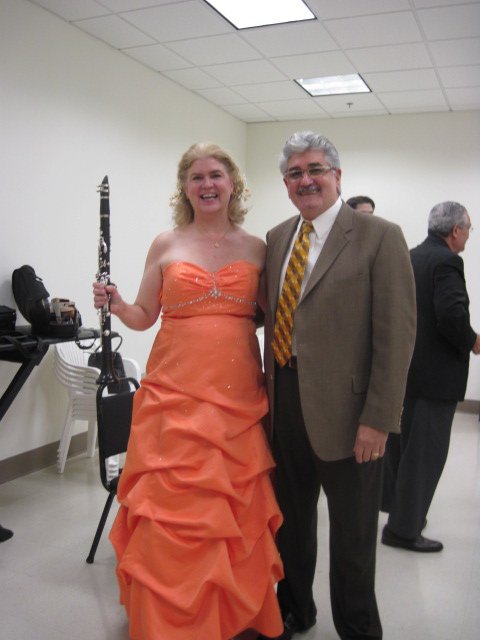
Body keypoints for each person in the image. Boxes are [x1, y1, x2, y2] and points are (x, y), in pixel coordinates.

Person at [93, 142, 284, 640]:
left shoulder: (256, 247)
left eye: (216, 175)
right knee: (174, 505)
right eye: (196, 177)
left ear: (232, 184)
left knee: (232, 501)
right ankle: (168, 615)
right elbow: (143, 316)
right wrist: (114, 303)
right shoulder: (165, 243)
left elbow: (276, 319)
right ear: (185, 187)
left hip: (236, 393)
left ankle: (231, 612)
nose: (207, 185)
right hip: (174, 391)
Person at [260, 131, 416, 640]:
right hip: (284, 406)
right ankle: (295, 611)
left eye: (315, 169)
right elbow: (267, 316)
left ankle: (357, 628)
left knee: (352, 538)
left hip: (351, 419)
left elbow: (396, 337)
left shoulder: (378, 236)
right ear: (285, 184)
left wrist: (378, 419)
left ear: (337, 176)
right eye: (295, 173)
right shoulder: (278, 237)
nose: (306, 180)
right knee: (291, 527)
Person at [382, 201, 480, 553]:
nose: (468, 236)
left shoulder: (412, 255)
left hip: (409, 370)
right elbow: (451, 313)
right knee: (426, 456)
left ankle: (400, 513)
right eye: (468, 230)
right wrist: (473, 341)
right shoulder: (448, 261)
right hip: (437, 376)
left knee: (406, 450)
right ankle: (403, 531)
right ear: (455, 230)